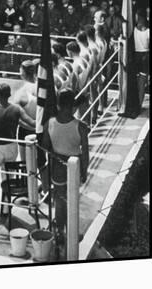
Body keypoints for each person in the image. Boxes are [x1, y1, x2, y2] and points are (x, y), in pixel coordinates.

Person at [41, 89, 89, 258]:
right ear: (73, 104)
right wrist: (84, 171)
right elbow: (85, 154)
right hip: (73, 167)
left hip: (57, 167)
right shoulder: (81, 127)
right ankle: (70, 232)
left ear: (59, 104)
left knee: (60, 201)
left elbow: (46, 147)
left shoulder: (50, 123)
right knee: (72, 200)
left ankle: (60, 231)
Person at [0, 83, 35, 220]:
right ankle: (5, 209)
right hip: (11, 146)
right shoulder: (16, 109)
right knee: (8, 178)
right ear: (9, 95)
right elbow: (31, 122)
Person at [13, 60, 37, 160]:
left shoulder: (20, 93)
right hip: (41, 128)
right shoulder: (45, 89)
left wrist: (29, 126)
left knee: (25, 162)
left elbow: (16, 118)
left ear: (22, 73)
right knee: (42, 162)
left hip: (25, 131)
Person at [134, 16, 150, 108]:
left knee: (139, 81)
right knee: (142, 82)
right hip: (144, 55)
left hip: (138, 55)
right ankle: (139, 103)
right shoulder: (148, 31)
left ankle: (138, 103)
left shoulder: (135, 30)